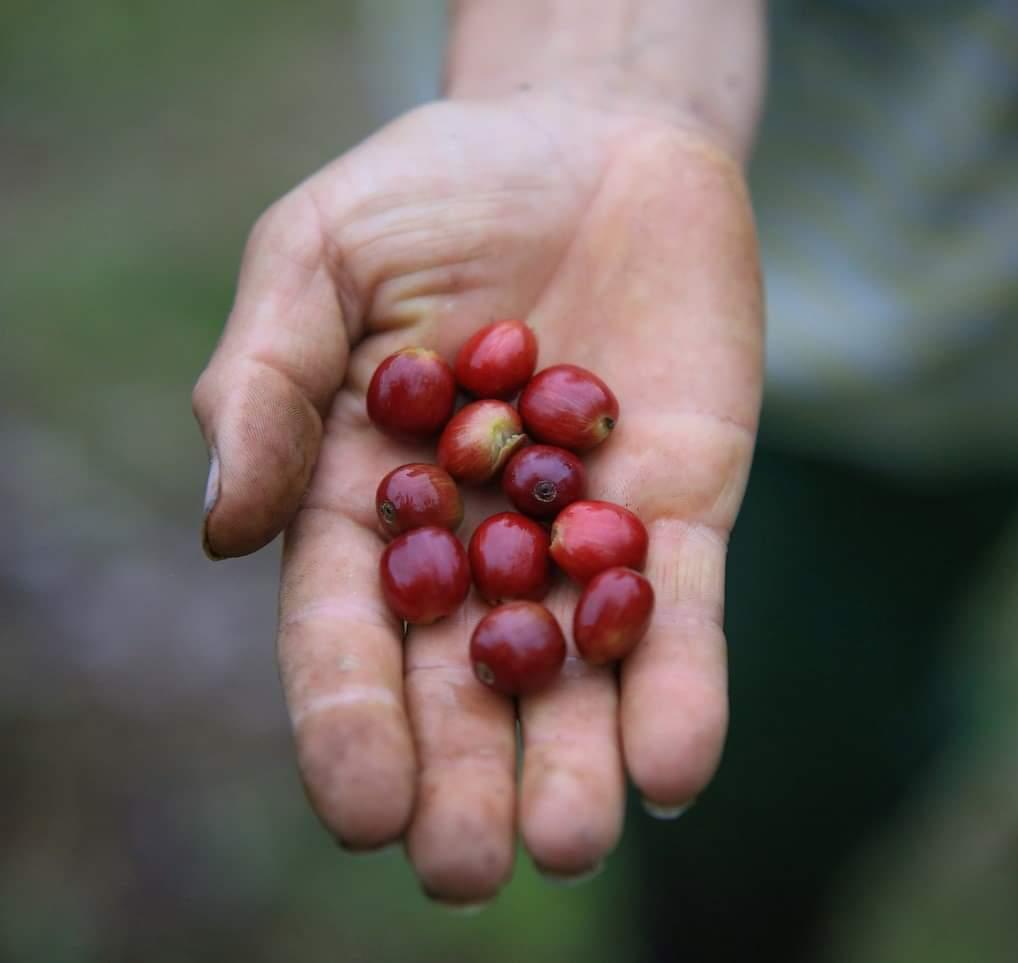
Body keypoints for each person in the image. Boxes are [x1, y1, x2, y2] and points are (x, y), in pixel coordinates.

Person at [193, 2, 1018, 959]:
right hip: (662, 201)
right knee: (747, 759)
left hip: (967, 357)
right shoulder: (522, 460)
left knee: (822, 725)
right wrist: (590, 67)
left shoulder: (527, 472)